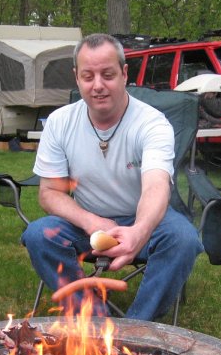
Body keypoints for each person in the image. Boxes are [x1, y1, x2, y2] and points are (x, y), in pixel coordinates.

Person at [21, 33, 203, 321]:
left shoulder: (152, 123)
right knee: (38, 235)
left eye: (107, 75)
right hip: (86, 223)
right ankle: (95, 322)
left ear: (124, 73)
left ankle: (136, 328)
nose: (98, 85)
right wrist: (91, 221)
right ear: (76, 77)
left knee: (183, 238)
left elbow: (156, 186)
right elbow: (49, 193)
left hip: (143, 218)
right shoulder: (59, 122)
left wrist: (139, 231)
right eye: (88, 76)